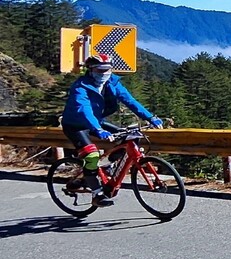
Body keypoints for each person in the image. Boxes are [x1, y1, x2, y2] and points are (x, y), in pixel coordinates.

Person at [60, 53, 164, 206]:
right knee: (91, 155)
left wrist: (150, 117)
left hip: (97, 122)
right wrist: (98, 129)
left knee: (128, 139)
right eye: (100, 70)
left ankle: (103, 169)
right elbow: (84, 110)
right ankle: (97, 195)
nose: (104, 73)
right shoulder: (80, 87)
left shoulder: (112, 82)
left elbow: (129, 100)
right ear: (91, 70)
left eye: (107, 69)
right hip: (76, 125)